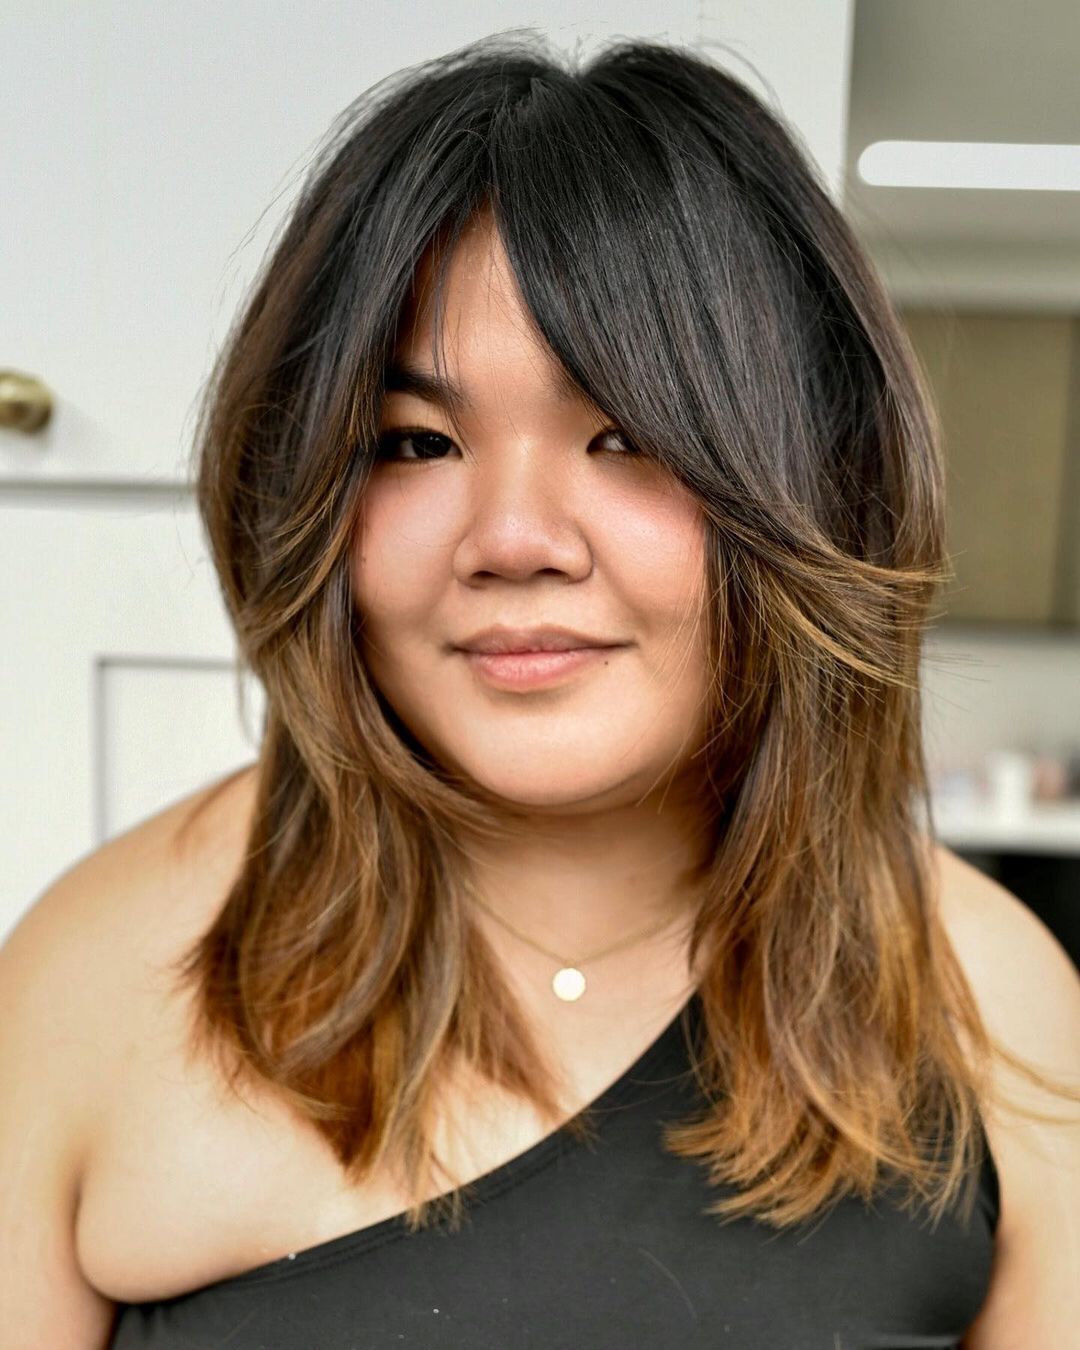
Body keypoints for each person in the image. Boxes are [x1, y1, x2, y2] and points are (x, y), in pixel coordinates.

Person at [2, 31, 1078, 1350]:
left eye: (624, 434)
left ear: (806, 477)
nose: (514, 536)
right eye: (417, 442)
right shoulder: (96, 981)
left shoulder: (994, 1002)